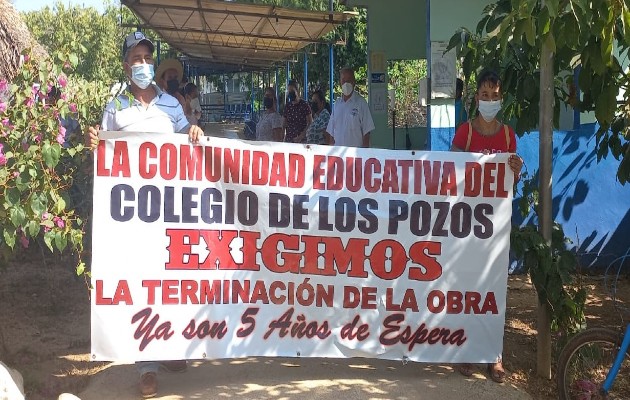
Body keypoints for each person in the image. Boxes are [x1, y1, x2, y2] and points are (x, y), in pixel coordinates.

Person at [85, 31, 203, 399]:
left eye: (147, 59)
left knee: (169, 284)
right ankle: (146, 366)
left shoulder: (171, 104)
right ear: (125, 65)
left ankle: (167, 347)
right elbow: (103, 155)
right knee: (141, 284)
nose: (143, 65)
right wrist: (95, 144)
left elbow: (188, 139)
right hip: (133, 219)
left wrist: (195, 131)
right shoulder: (115, 106)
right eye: (136, 59)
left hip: (170, 214)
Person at [450, 69, 523, 384]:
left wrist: (516, 171)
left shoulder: (508, 137)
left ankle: (494, 355)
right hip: (468, 225)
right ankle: (467, 349)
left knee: (494, 290)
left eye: (495, 96)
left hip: (496, 228)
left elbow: (510, 185)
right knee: (468, 288)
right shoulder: (464, 134)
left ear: (501, 98)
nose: (490, 100)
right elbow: (449, 174)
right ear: (475, 97)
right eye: (484, 95)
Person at [325, 67, 375, 147]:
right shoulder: (337, 104)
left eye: (349, 80)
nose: (346, 83)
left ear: (354, 82)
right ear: (340, 83)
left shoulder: (361, 103)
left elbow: (367, 132)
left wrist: (364, 154)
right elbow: (331, 132)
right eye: (343, 80)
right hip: (339, 155)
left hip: (355, 155)